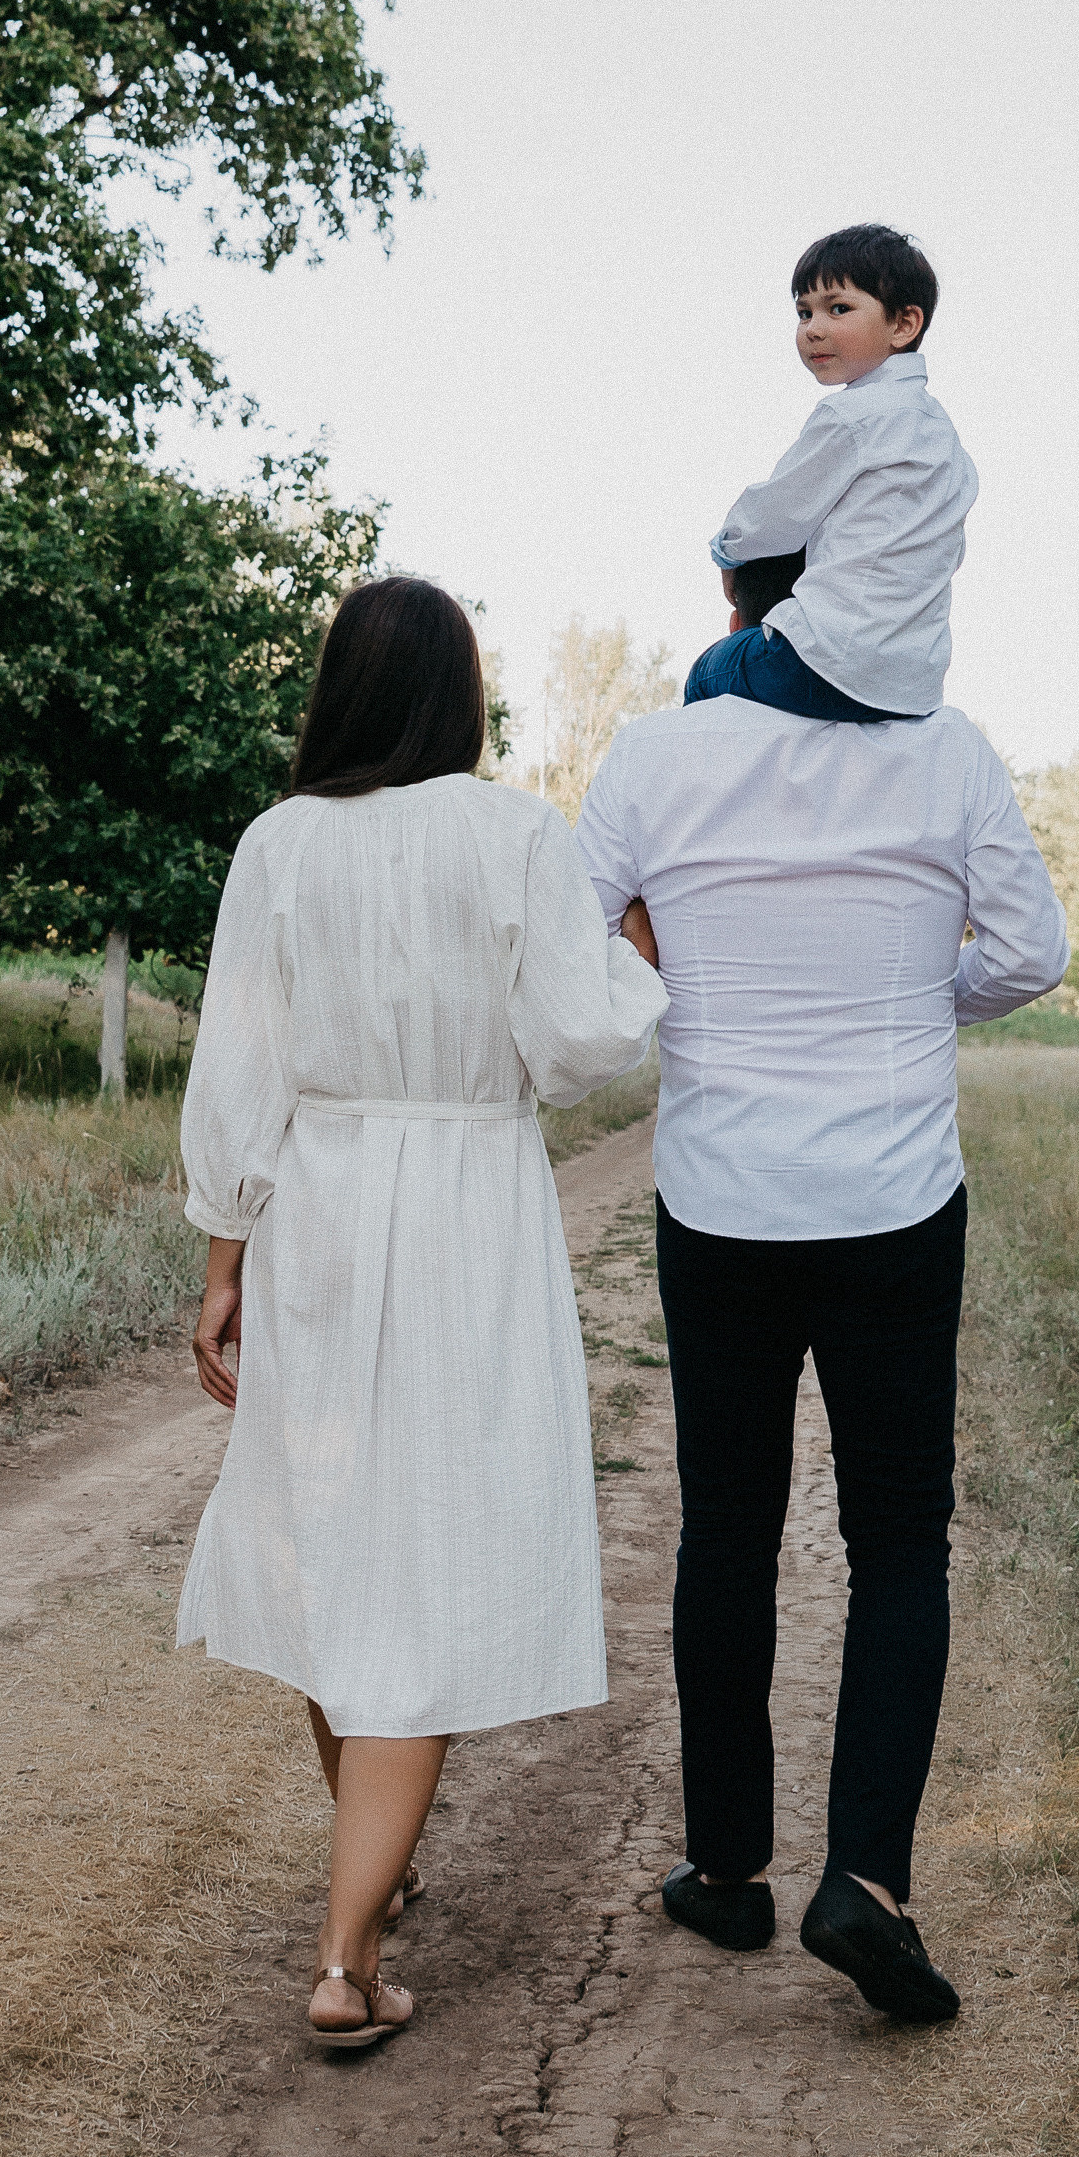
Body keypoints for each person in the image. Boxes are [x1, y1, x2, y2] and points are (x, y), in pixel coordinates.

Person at [176, 574, 667, 2054]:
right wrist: (637, 956)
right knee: (428, 1556)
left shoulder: (277, 844)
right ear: (460, 697)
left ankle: (368, 1886)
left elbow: (234, 1064)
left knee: (341, 1553)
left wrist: (221, 1261)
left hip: (320, 1202)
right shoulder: (513, 832)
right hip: (463, 1212)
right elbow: (576, 1043)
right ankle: (344, 1959)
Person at [580, 550, 1068, 2023]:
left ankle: (727, 1872)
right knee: (897, 1541)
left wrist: (684, 990)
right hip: (893, 1198)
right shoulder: (947, 747)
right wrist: (918, 996)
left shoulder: (657, 753)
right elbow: (1032, 954)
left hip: (720, 1191)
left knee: (726, 1525)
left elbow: (564, 934)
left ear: (739, 603)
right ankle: (867, 1879)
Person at [692, 221, 977, 727]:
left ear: (903, 325)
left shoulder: (852, 416)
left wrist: (726, 551)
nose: (813, 329)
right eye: (803, 313)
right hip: (911, 686)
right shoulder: (944, 441)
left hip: (824, 661)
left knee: (708, 674)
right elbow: (950, 550)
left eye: (837, 308)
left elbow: (776, 512)